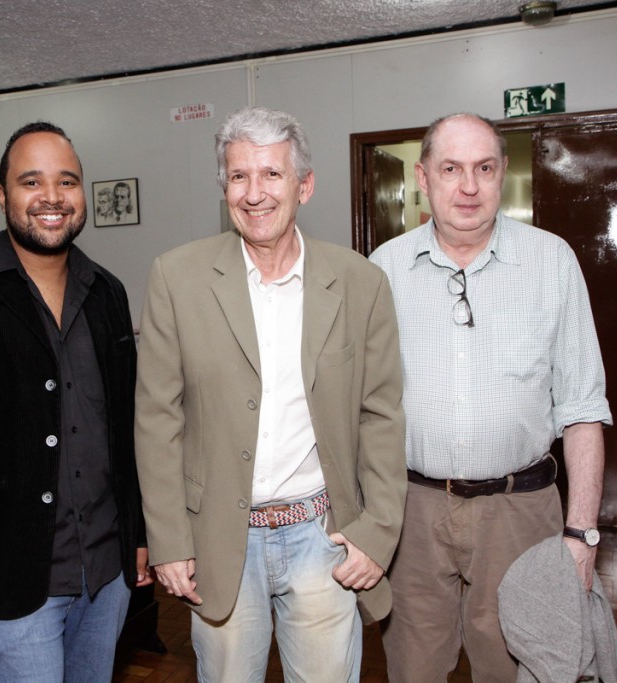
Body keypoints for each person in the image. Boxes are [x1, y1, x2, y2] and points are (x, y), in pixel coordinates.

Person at [135, 106, 407, 682]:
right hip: (218, 542)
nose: (254, 193)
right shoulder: (175, 279)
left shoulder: (361, 283)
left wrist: (376, 534)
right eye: (238, 176)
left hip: (324, 538)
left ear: (304, 185)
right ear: (224, 187)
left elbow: (380, 417)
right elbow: (158, 420)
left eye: (272, 175)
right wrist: (168, 540)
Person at [0, 121, 151, 682]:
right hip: (10, 578)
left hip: (106, 573)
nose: (51, 198)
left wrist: (136, 536)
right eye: (31, 182)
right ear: (2, 193)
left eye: (67, 182)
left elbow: (124, 427)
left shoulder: (108, 291)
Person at [368, 113, 612, 682]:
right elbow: (362, 406)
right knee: (412, 669)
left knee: (518, 669)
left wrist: (582, 534)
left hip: (520, 513)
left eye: (483, 168)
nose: (468, 186)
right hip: (411, 514)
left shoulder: (552, 261)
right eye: (450, 169)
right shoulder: (384, 269)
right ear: (423, 178)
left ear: (504, 173)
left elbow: (582, 408)